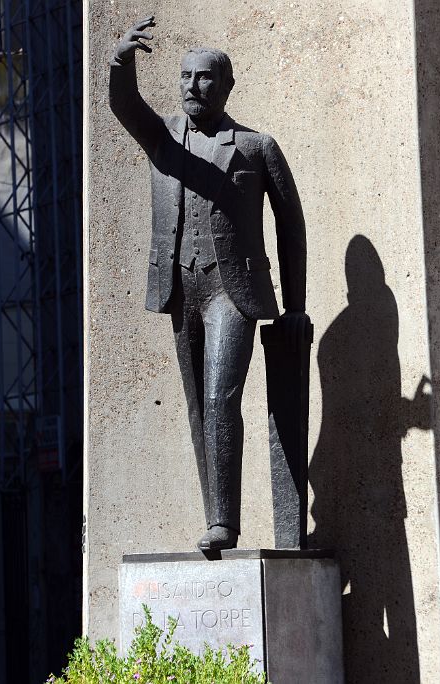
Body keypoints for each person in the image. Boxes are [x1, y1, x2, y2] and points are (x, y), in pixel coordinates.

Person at [109, 16, 310, 550]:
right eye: (185, 77)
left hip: (234, 292)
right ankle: (216, 514)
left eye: (204, 78)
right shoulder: (164, 137)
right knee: (199, 406)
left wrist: (295, 307)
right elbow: (125, 107)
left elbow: (291, 227)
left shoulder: (256, 147)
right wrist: (120, 61)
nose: (192, 86)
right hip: (182, 288)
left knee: (222, 398)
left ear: (226, 86)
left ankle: (224, 524)